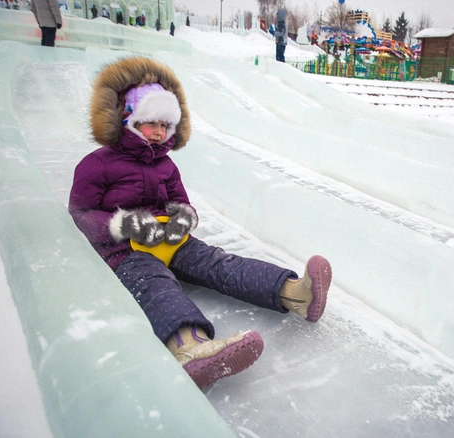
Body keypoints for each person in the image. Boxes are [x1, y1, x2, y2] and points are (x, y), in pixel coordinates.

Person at [68, 57, 333, 389]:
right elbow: (80, 213)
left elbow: (181, 201)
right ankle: (190, 348)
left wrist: (182, 221)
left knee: (218, 263)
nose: (161, 132)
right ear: (127, 119)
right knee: (155, 284)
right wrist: (128, 226)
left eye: (166, 125)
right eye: (152, 123)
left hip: (169, 240)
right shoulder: (97, 165)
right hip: (125, 252)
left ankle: (295, 293)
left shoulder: (165, 165)